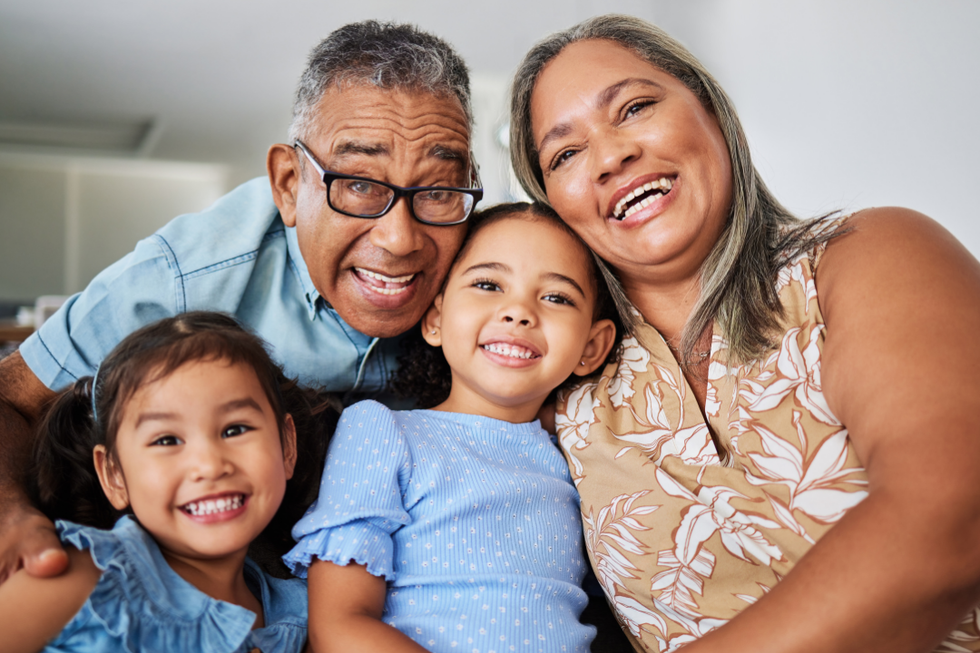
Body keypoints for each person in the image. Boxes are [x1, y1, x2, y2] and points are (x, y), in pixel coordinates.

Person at [507, 14, 980, 653]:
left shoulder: (867, 257)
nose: (612, 155)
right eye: (565, 153)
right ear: (553, 206)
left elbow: (951, 520)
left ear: (711, 110)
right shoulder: (562, 391)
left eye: (636, 107)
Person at [0, 20, 481, 585]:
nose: (400, 240)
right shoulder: (182, 276)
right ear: (287, 183)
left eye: (439, 189)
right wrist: (11, 513)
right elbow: (13, 397)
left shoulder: (486, 268)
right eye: (359, 185)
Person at [282, 203, 622, 652]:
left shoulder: (584, 460)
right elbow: (340, 625)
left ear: (592, 347)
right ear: (436, 319)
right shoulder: (382, 432)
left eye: (556, 297)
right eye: (487, 284)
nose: (518, 312)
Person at [0, 311, 338, 652]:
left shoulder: (306, 615)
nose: (209, 465)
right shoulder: (88, 575)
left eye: (235, 430)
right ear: (114, 475)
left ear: (286, 446)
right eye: (166, 440)